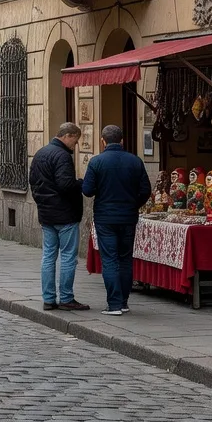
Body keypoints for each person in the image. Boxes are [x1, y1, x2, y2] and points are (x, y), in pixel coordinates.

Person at [82, 124, 152, 315]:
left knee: (110, 259)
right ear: (122, 141)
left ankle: (114, 304)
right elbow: (146, 189)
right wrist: (134, 204)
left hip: (105, 217)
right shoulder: (135, 161)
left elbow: (87, 190)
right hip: (129, 216)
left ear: (102, 141)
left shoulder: (97, 162)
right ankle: (124, 301)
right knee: (125, 259)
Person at [30, 122, 90, 312]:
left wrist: (42, 202)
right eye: (76, 140)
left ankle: (48, 298)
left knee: (48, 256)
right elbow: (65, 185)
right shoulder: (62, 156)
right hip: (65, 214)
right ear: (68, 136)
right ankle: (66, 297)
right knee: (67, 257)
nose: (76, 144)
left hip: (47, 213)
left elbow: (34, 183)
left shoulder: (40, 153)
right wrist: (80, 183)